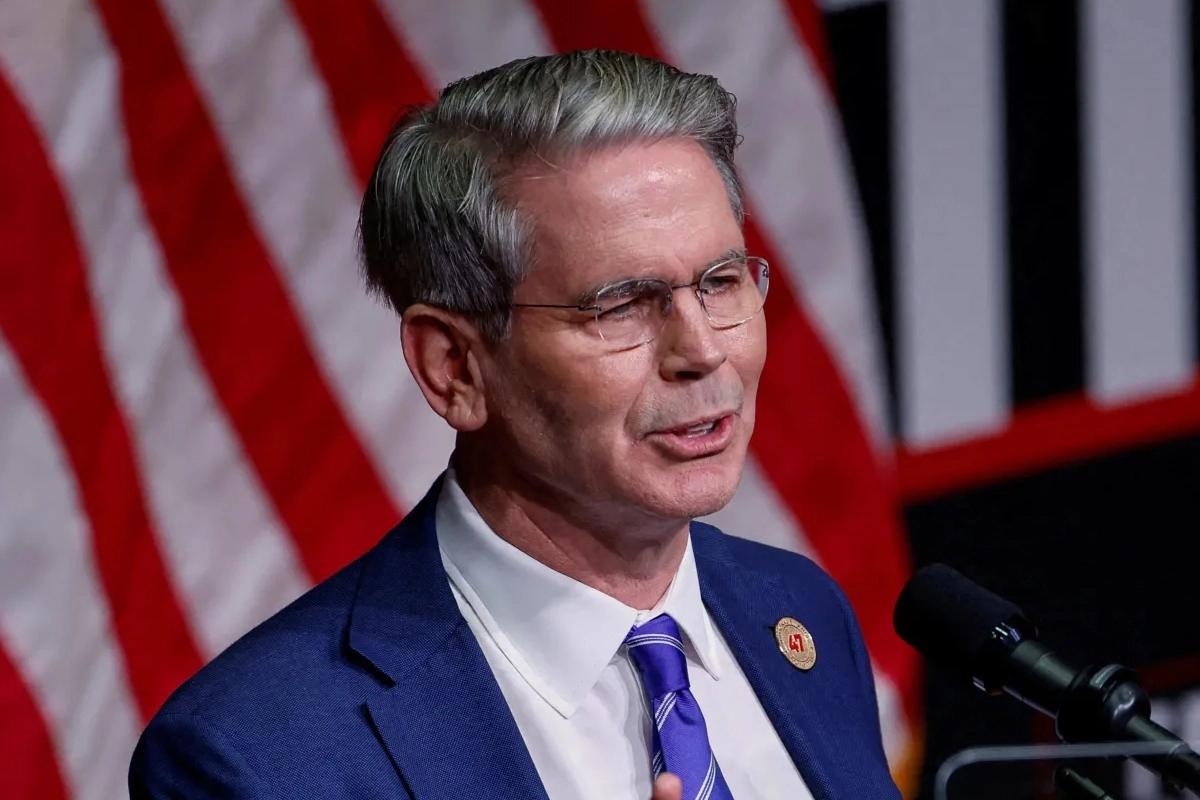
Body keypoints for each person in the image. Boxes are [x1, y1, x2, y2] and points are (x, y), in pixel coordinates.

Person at [129, 49, 899, 800]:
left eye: (721, 282)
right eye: (622, 306)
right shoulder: (257, 758)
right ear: (455, 368)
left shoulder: (795, 611)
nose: (702, 352)